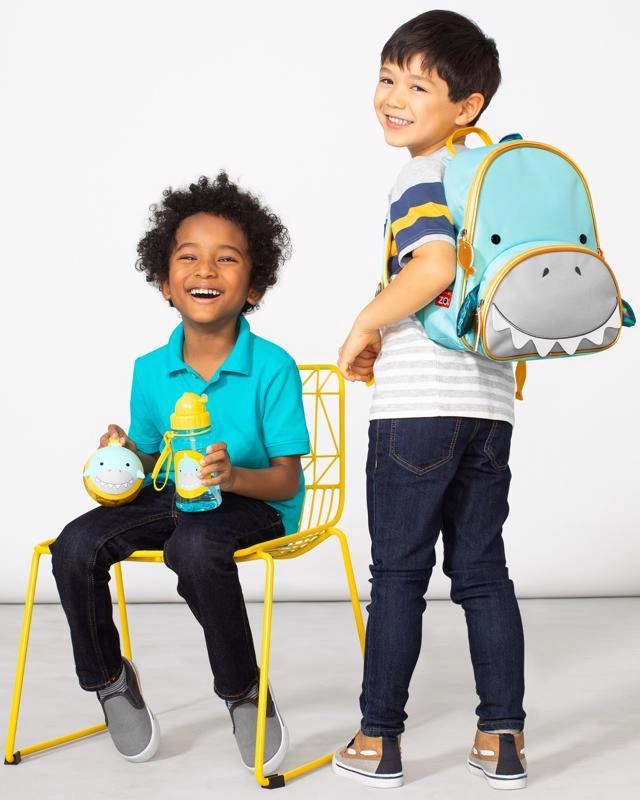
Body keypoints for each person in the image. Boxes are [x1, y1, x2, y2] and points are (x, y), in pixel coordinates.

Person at [51, 173, 310, 772]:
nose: (206, 270)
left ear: (254, 286)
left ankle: (242, 689)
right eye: (188, 257)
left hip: (254, 503)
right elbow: (149, 471)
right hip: (173, 499)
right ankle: (109, 680)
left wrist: (233, 478)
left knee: (193, 548)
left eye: (227, 258)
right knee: (75, 545)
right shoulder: (150, 370)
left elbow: (286, 483)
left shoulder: (273, 367)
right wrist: (125, 457)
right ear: (166, 283)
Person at [333, 10, 526, 790]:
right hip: (489, 404)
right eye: (387, 79)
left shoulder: (424, 174)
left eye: (418, 86)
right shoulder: (492, 175)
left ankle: (377, 740)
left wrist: (364, 323)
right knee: (482, 573)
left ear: (466, 104)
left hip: (417, 405)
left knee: (399, 577)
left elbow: (435, 267)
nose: (393, 98)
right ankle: (502, 739)